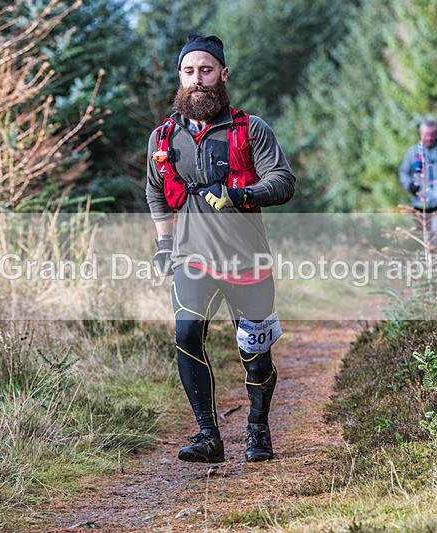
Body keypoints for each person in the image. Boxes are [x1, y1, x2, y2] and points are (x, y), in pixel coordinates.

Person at [145, 33, 296, 463]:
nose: (198, 79)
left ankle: (258, 430)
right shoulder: (163, 138)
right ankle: (209, 436)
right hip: (191, 256)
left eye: (206, 70)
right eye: (189, 71)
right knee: (187, 333)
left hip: (247, 258)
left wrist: (239, 194)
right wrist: (163, 244)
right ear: (180, 77)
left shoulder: (251, 129)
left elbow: (283, 182)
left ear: (223, 75)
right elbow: (156, 193)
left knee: (255, 352)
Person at [398, 120, 437, 248]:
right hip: (420, 203)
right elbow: (403, 173)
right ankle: (429, 264)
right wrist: (409, 184)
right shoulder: (413, 153)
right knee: (425, 238)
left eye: (432, 134)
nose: (430, 138)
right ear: (421, 134)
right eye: (427, 134)